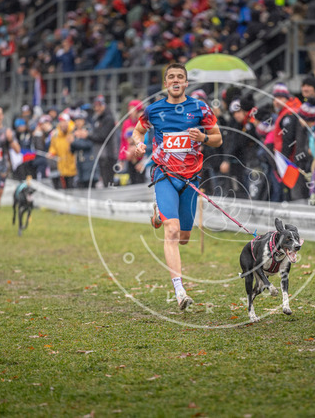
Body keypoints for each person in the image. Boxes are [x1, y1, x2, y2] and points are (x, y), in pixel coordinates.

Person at [131, 63, 223, 311]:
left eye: (179, 77)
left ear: (185, 83)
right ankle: (180, 290)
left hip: (190, 179)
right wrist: (139, 144)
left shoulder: (200, 108)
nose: (175, 80)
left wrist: (203, 138)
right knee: (171, 231)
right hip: (164, 175)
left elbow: (218, 138)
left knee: (183, 238)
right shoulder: (154, 109)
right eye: (171, 77)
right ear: (165, 83)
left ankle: (158, 213)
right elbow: (138, 131)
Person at [89, 95, 118, 188]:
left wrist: (88, 135)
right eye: (95, 106)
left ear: (104, 105)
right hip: (101, 154)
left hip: (108, 155)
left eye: (99, 106)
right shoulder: (97, 119)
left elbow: (102, 136)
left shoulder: (108, 118)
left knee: (109, 181)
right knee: (105, 181)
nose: (97, 108)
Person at [48, 112, 76, 189]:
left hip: (73, 165)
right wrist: (51, 153)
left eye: (65, 121)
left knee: (72, 186)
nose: (63, 124)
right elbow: (53, 146)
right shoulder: (56, 133)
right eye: (61, 122)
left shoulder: (73, 131)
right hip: (61, 165)